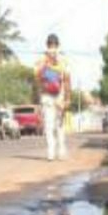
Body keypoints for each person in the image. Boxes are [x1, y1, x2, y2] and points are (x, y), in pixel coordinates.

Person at [35, 33, 71, 161]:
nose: (53, 48)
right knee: (56, 125)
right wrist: (68, 98)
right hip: (54, 96)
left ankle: (54, 150)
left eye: (52, 45)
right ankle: (58, 150)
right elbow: (67, 80)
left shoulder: (42, 59)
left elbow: (38, 79)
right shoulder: (61, 60)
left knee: (52, 125)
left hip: (50, 96)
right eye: (53, 45)